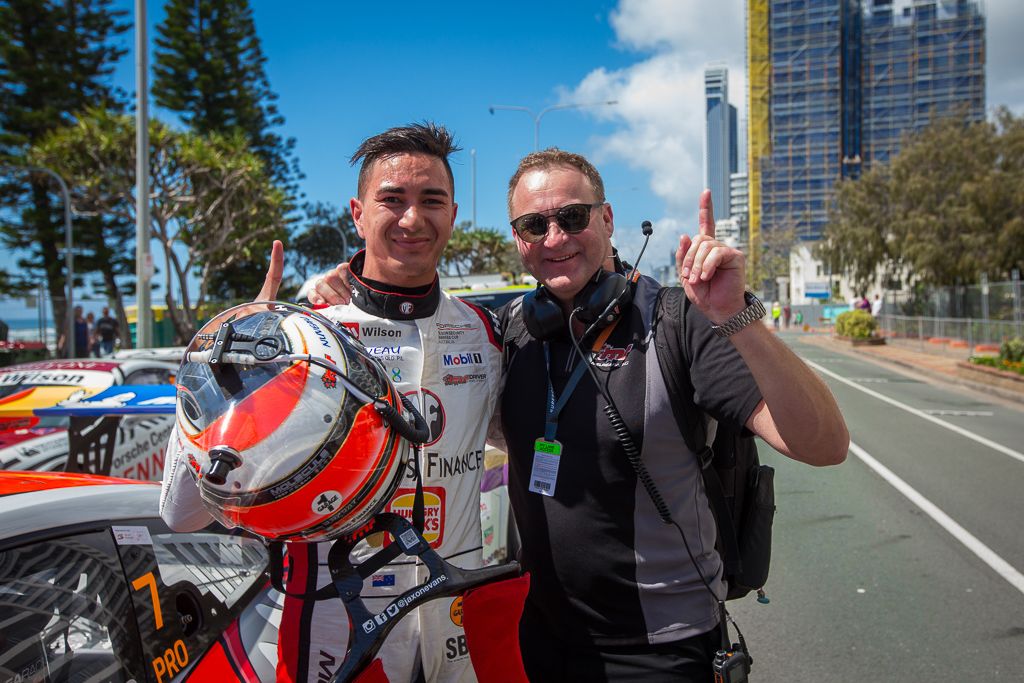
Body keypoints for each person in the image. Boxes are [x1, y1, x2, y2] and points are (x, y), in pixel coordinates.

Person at [161, 123, 504, 683]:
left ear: (454, 214)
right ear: (357, 214)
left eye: (431, 201)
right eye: (391, 200)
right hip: (329, 635)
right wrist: (228, 378)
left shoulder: (484, 335)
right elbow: (182, 513)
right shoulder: (302, 338)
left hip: (455, 635)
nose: (413, 219)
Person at [496, 149, 848, 681]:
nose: (555, 237)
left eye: (572, 217)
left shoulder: (678, 320)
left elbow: (825, 446)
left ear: (607, 219)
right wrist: (343, 304)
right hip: (544, 638)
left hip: (664, 648)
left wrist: (739, 320)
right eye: (534, 224)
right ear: (519, 237)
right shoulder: (511, 331)